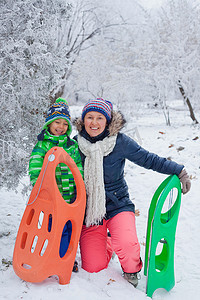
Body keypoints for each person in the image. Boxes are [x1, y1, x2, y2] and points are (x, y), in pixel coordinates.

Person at [74, 98, 191, 287]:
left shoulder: (119, 142)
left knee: (128, 248)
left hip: (118, 204)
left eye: (99, 118)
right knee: (93, 266)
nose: (94, 123)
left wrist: (179, 170)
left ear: (108, 121)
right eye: (89, 117)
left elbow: (148, 159)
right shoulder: (75, 145)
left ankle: (130, 266)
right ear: (83, 120)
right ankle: (108, 241)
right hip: (91, 211)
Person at [29, 97, 83, 271]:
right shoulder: (42, 146)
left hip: (70, 197)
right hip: (52, 197)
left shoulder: (71, 145)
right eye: (57, 122)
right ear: (49, 124)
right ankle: (56, 257)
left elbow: (78, 168)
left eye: (65, 124)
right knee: (56, 229)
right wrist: (41, 189)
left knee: (70, 228)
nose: (61, 127)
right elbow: (35, 169)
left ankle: (66, 258)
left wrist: (79, 188)